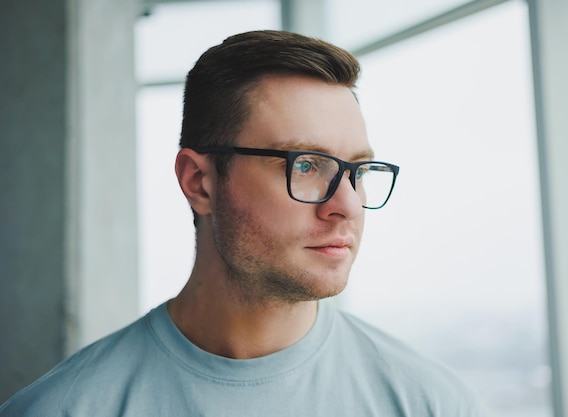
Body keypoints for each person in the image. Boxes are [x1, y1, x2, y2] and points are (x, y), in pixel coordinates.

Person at [0, 30, 485, 416]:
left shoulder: (432, 403)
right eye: (305, 164)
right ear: (200, 182)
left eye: (357, 171)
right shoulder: (63, 409)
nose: (348, 206)